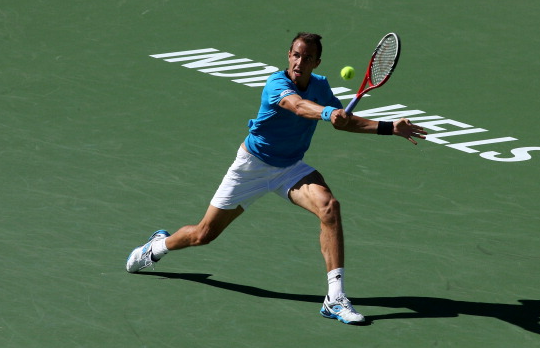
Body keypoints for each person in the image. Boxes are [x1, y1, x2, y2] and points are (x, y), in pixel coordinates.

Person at [126, 32, 427, 324]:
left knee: (329, 208)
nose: (299, 62)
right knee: (203, 234)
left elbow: (343, 122)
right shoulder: (276, 84)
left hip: (290, 169)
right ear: (288, 56)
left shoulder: (320, 86)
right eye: (296, 55)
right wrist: (327, 113)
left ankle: (335, 298)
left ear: (316, 63)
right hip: (251, 167)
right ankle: (156, 248)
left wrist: (388, 127)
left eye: (307, 58)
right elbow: (297, 106)